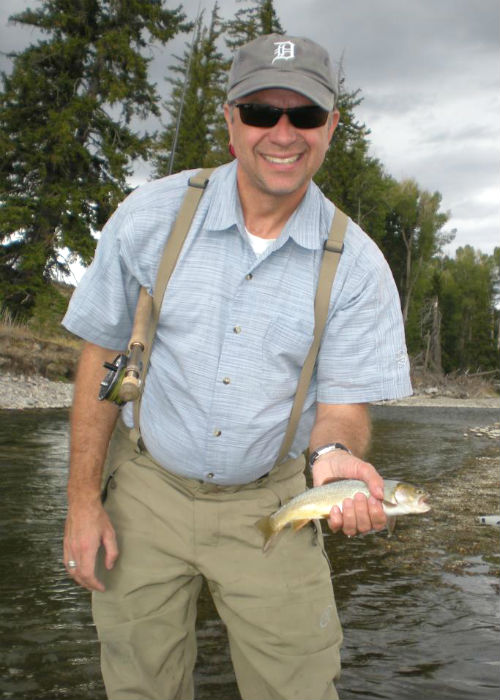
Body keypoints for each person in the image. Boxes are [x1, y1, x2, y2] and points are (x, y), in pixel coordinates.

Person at [62, 33, 412, 700]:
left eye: (304, 115)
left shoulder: (360, 268)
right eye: (260, 112)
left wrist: (336, 454)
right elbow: (100, 354)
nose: (283, 133)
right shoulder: (149, 216)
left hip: (276, 495)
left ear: (330, 128)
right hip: (144, 488)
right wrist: (82, 503)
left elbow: (340, 407)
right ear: (230, 121)